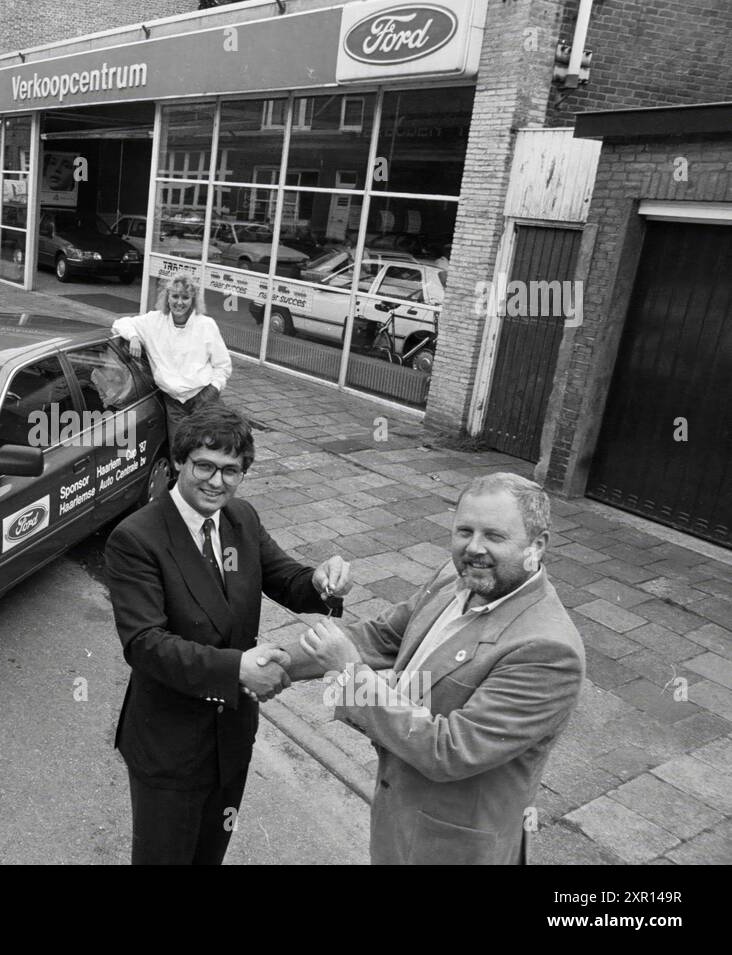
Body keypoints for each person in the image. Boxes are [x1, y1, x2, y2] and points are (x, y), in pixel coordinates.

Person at [268, 472, 585, 865]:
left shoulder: (548, 650)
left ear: (537, 545)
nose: (474, 548)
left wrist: (351, 676)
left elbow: (449, 750)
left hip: (452, 848)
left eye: (495, 536)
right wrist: (276, 664)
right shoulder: (455, 577)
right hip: (397, 816)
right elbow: (383, 636)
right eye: (464, 531)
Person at [104, 405, 352, 865]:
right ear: (180, 461)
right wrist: (236, 668)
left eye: (231, 471)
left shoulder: (241, 519)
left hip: (232, 734)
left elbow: (284, 578)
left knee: (209, 854)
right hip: (169, 747)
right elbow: (145, 644)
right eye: (205, 466)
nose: (217, 482)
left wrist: (320, 580)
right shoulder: (136, 538)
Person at [111, 275, 231, 444]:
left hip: (203, 397)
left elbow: (223, 366)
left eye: (185, 297)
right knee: (179, 451)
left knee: (210, 448)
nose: (179, 302)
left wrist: (213, 390)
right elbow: (120, 323)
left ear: (193, 300)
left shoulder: (206, 325)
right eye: (175, 296)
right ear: (167, 297)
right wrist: (134, 337)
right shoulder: (153, 321)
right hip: (174, 403)